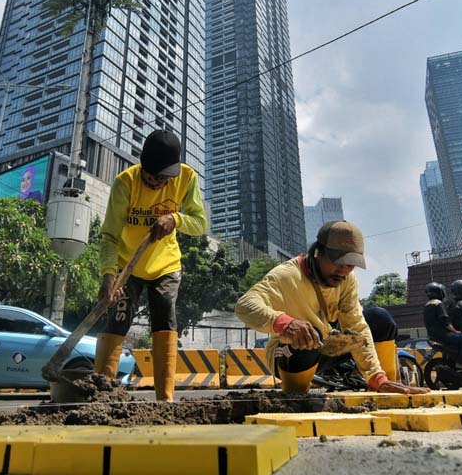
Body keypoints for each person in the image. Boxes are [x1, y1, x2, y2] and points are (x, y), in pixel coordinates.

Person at [235, 220, 428, 395]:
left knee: (379, 318)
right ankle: (294, 397)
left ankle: (385, 388)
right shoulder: (287, 276)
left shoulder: (347, 280)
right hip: (289, 353)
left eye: (350, 264)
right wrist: (283, 323)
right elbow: (244, 305)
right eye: (337, 261)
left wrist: (377, 376)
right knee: (311, 334)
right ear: (318, 252)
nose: (343, 270)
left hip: (328, 344)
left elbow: (357, 327)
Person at [95, 130, 208, 402]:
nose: (157, 183)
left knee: (165, 315)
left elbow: (201, 223)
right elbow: (110, 235)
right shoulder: (125, 183)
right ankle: (100, 393)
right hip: (127, 267)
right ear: (142, 167)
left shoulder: (187, 177)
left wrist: (176, 219)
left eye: (163, 178)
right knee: (117, 319)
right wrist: (109, 275)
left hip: (165, 265)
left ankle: (165, 398)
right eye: (151, 177)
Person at [423, 281, 462, 369]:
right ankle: (460, 363)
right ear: (439, 292)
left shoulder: (427, 305)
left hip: (432, 336)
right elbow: (445, 322)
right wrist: (456, 331)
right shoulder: (438, 304)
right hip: (443, 335)